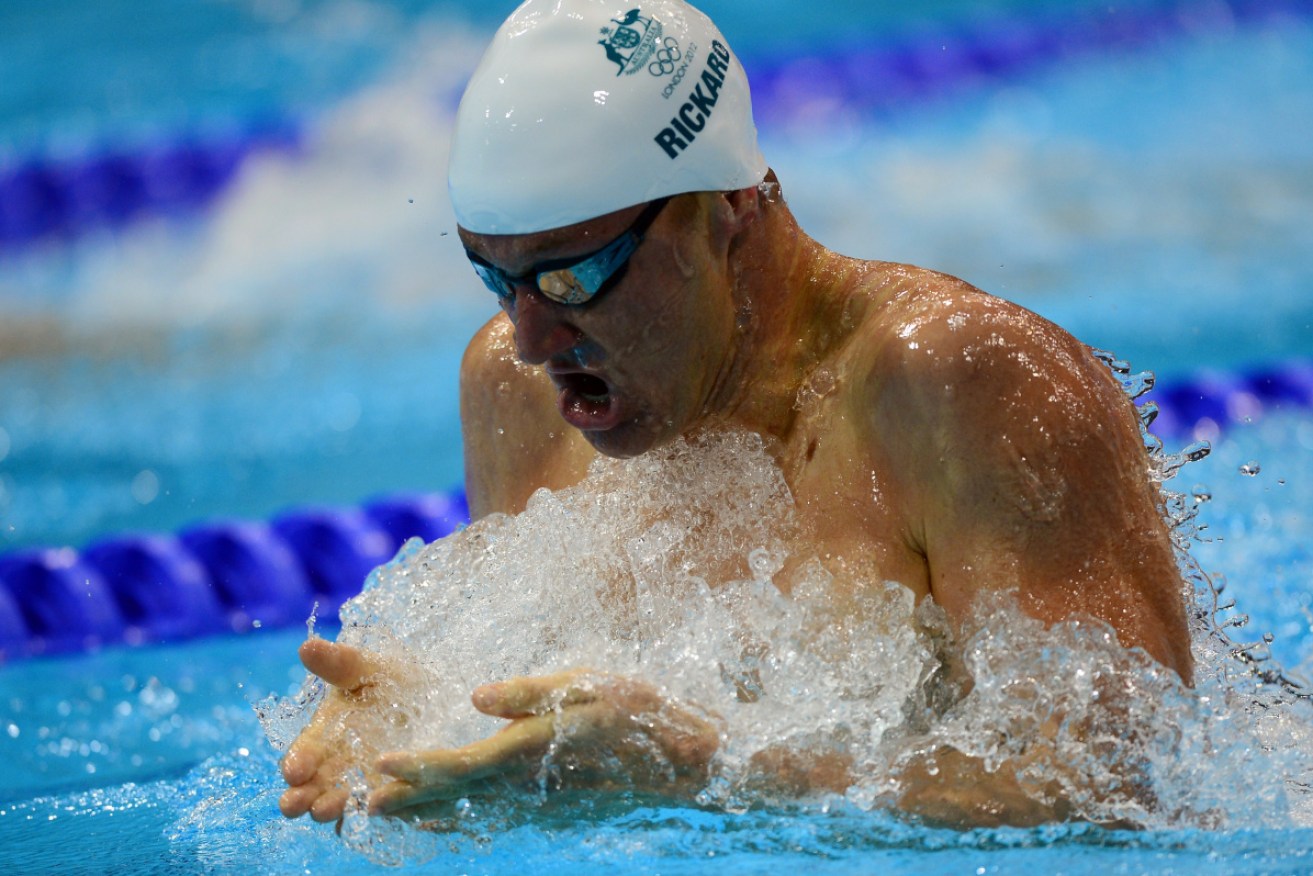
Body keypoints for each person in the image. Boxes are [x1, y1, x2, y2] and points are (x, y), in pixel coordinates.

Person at [278, 0, 1192, 828]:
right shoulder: (517, 394)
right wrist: (429, 726)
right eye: (496, 275)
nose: (531, 337)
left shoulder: (957, 384)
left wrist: (715, 774)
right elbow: (580, 750)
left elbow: (1113, 780)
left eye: (573, 275)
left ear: (726, 206)